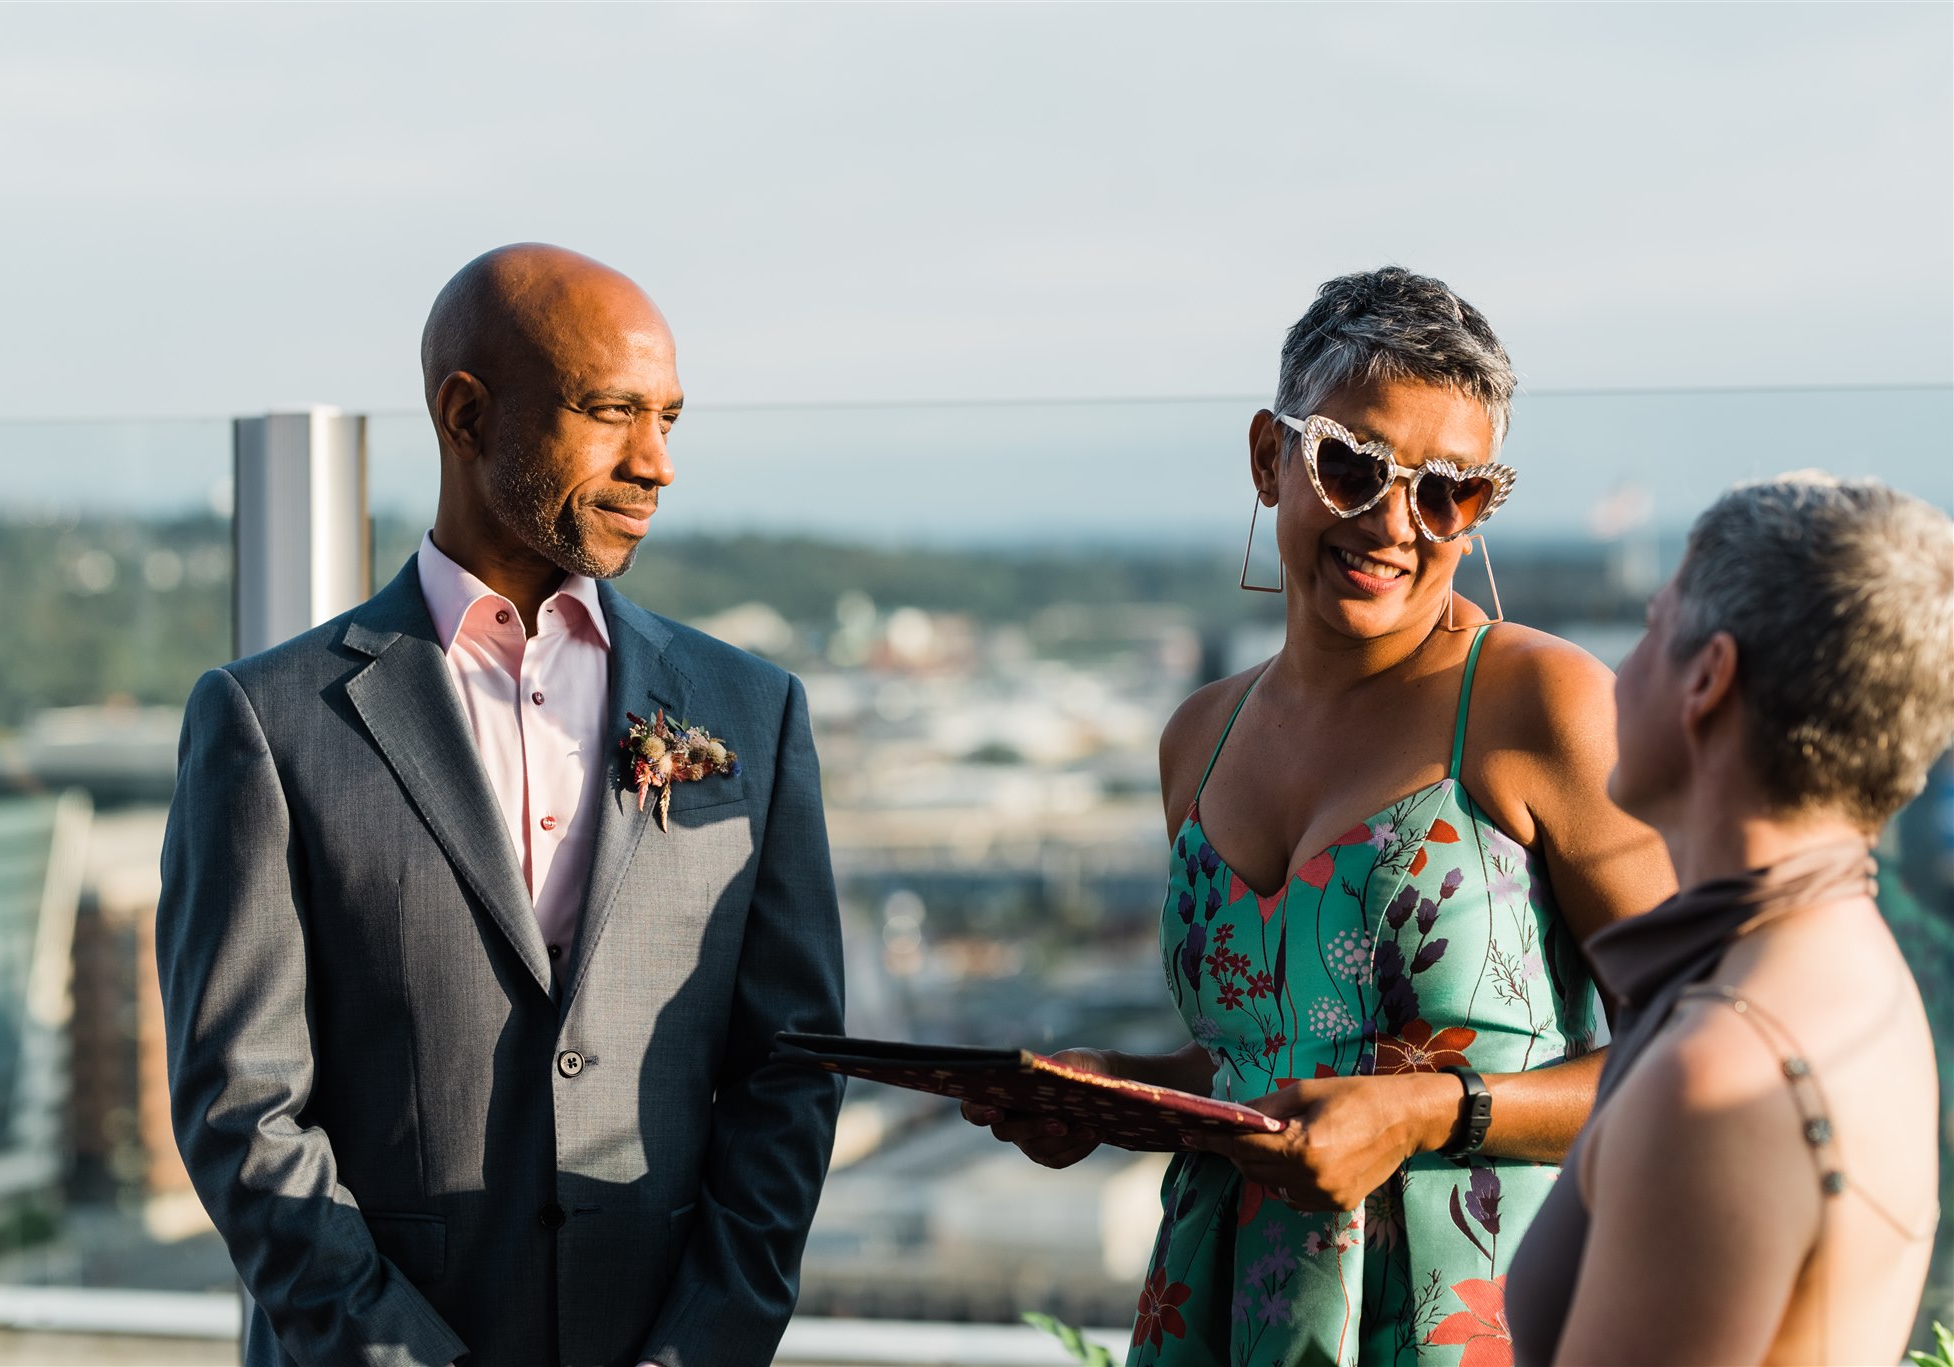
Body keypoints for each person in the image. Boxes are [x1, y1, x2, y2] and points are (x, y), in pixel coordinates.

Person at [963, 267, 1675, 1364]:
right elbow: (1270, 1063)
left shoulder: (1540, 702)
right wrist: (1119, 1090)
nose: (1393, 521)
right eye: (1351, 465)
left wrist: (1434, 1113)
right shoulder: (1196, 736)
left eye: (1447, 491)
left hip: (1468, 1317)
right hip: (1216, 1308)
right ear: (1268, 459)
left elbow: (1686, 1051)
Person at [157, 244, 845, 1367]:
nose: (656, 461)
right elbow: (243, 1108)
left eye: (669, 416)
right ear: (466, 414)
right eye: (611, 411)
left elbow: (789, 1072)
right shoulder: (266, 721)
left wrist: (701, 1351)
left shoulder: (752, 712)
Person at [1508, 474, 1954, 1365]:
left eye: (1648, 627)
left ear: (1707, 677)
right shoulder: (1855, 965)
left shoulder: (1717, 1075)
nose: (1617, 673)